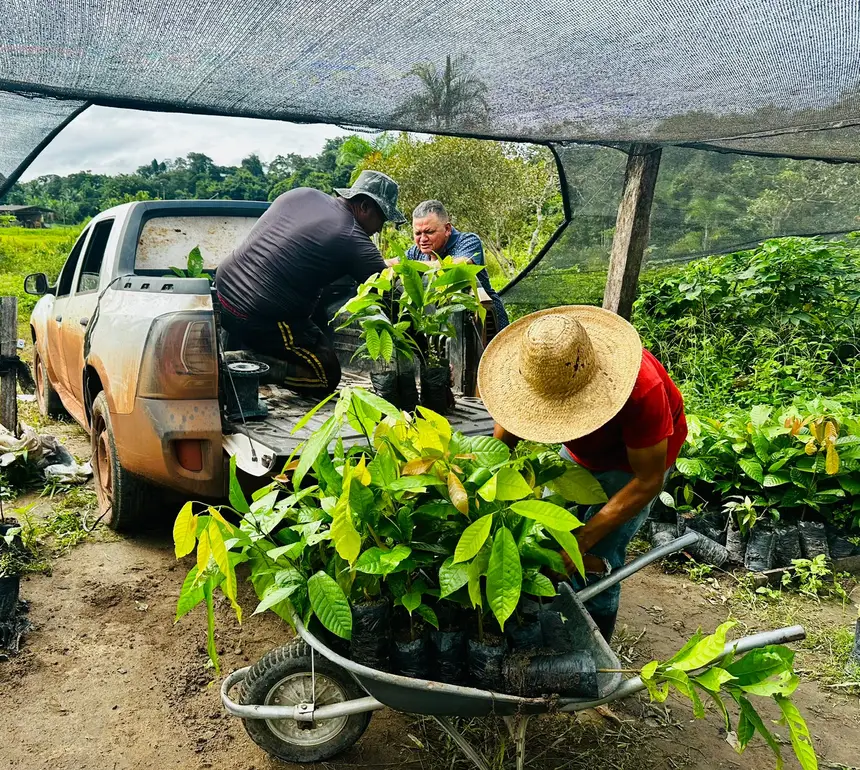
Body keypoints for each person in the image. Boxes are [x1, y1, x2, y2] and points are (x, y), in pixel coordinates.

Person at [477, 305, 687, 641]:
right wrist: (486, 480)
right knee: (545, 534)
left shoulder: (640, 389)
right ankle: (545, 620)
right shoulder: (530, 368)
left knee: (594, 558)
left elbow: (647, 481)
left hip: (632, 465)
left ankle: (592, 642)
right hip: (580, 453)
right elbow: (507, 430)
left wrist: (584, 539)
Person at [215, 171, 405, 396]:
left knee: (314, 318)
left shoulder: (303, 194)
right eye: (381, 219)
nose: (379, 229)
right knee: (326, 375)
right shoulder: (353, 237)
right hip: (260, 315)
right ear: (365, 207)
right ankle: (243, 365)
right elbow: (394, 302)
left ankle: (243, 357)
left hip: (223, 293)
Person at [406, 200, 509, 330]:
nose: (423, 239)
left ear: (447, 229)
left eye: (429, 232)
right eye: (417, 233)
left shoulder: (468, 241)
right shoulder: (416, 251)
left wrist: (408, 266)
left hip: (485, 324)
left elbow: (456, 266)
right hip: (446, 326)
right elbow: (391, 263)